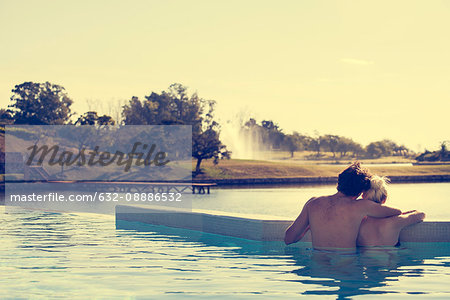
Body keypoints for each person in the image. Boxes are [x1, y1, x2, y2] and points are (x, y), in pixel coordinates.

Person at [284, 162, 402, 250]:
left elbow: (288, 239)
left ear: (339, 181)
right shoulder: (361, 206)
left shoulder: (312, 203)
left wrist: (308, 227)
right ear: (360, 191)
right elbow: (396, 211)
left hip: (319, 270)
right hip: (347, 269)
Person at [357, 175, 425, 247]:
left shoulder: (358, 223)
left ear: (363, 197)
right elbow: (421, 215)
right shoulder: (395, 221)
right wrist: (402, 214)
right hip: (388, 257)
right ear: (384, 199)